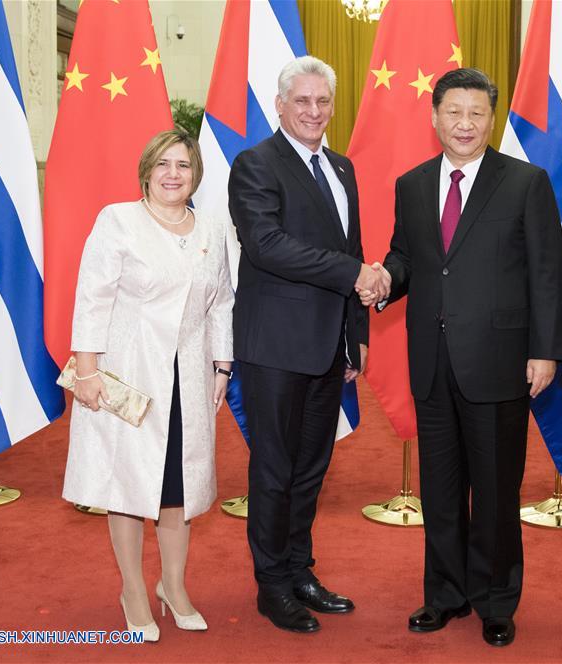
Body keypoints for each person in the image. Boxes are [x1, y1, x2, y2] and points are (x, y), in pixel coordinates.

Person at [361, 68, 562, 647]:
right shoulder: (412, 183)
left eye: (477, 112)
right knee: (442, 488)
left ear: (491, 118)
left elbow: (548, 274)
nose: (465, 123)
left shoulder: (526, 182)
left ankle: (497, 599)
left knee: (498, 490)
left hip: (501, 360)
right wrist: (385, 280)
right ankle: (445, 595)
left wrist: (546, 351)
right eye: (454, 111)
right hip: (431, 358)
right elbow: (408, 257)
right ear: (434, 117)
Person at [228, 56, 382, 634]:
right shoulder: (255, 165)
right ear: (280, 105)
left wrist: (357, 335)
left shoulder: (341, 168)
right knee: (274, 469)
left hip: (329, 348)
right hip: (275, 347)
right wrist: (353, 274)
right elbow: (266, 245)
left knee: (312, 469)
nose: (314, 112)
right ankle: (271, 585)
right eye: (302, 102)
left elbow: (355, 245)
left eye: (322, 102)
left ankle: (299, 571)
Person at [63, 128, 234, 641]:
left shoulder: (209, 227)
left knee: (177, 488)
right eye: (163, 164)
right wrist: (87, 371)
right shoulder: (118, 221)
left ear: (195, 174)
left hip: (189, 374)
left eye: (182, 165)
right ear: (146, 171)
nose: (172, 175)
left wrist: (222, 366)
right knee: (129, 485)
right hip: (129, 375)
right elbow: (91, 296)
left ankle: (173, 587)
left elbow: (222, 300)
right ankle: (134, 590)